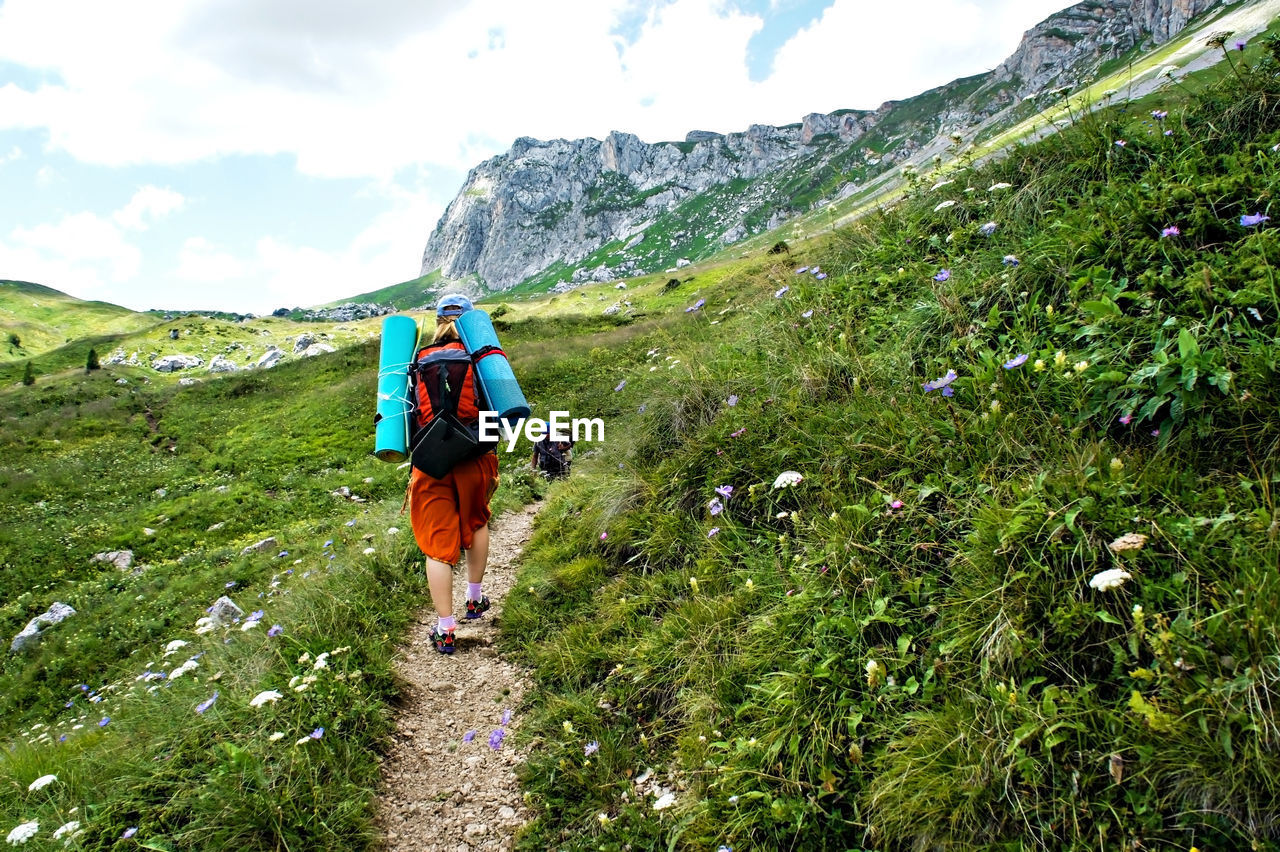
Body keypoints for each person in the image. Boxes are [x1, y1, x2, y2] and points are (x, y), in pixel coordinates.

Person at [407, 293, 500, 654]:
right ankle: (474, 600)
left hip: (430, 461)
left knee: (437, 545)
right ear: (470, 322)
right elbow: (497, 409)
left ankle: (445, 628)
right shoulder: (482, 360)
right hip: (474, 455)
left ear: (438, 321)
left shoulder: (417, 361)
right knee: (476, 523)